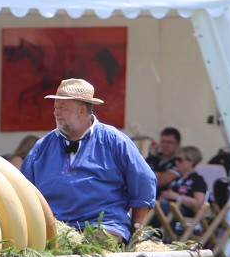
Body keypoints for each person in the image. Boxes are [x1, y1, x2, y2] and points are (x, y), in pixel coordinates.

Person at [21, 78, 156, 243]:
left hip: (104, 227)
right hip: (54, 228)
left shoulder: (114, 141)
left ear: (82, 110)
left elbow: (144, 181)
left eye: (62, 107)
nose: (56, 112)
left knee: (95, 247)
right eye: (55, 107)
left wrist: (136, 230)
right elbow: (22, 189)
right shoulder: (42, 146)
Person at [149, 127, 183, 192]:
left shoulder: (180, 162)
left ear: (178, 144)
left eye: (169, 142)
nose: (165, 145)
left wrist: (151, 174)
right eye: (163, 141)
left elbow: (159, 181)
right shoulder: (153, 158)